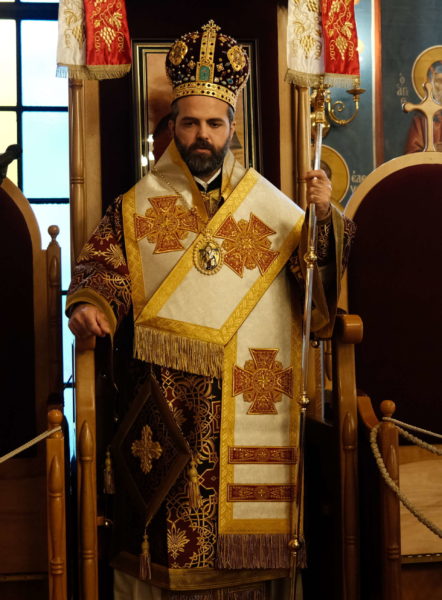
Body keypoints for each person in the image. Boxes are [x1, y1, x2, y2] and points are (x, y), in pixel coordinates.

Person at [67, 20, 355, 600]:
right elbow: (102, 269)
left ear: (232, 128)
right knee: (169, 531)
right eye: (190, 123)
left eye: (214, 124)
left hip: (251, 392)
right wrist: (91, 305)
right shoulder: (135, 207)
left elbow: (312, 289)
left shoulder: (269, 207)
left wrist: (323, 219)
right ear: (172, 126)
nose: (202, 135)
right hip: (168, 403)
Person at [405, 60, 442, 153]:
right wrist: (432, 151)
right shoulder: (421, 118)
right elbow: (411, 155)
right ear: (430, 84)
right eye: (439, 81)